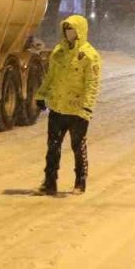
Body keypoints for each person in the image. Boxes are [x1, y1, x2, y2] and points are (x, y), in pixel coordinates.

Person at [34, 14, 101, 195]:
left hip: (77, 111)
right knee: (53, 147)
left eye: (71, 29)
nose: (68, 32)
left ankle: (80, 181)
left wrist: (86, 107)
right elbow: (51, 77)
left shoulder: (89, 56)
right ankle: (49, 182)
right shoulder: (59, 52)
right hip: (58, 108)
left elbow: (92, 84)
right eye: (66, 29)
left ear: (80, 31)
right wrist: (41, 94)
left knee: (78, 146)